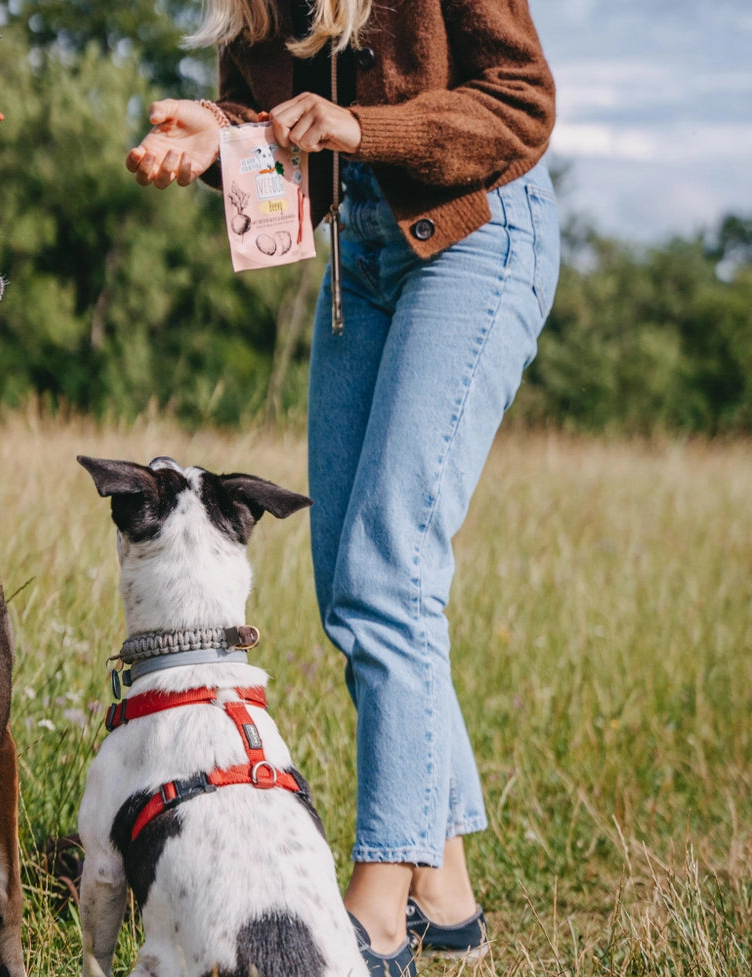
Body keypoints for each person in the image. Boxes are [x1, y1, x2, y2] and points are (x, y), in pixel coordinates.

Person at [126, 1, 560, 973]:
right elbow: (281, 140)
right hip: (354, 258)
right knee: (345, 579)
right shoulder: (255, 7)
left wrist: (362, 129)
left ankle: (379, 906)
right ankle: (442, 879)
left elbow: (520, 106)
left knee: (383, 571)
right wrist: (216, 134)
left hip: (476, 230)